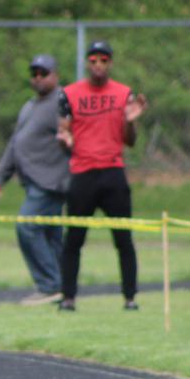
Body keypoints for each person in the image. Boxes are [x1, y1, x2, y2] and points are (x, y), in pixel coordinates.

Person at [56, 41, 148, 312]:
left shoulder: (123, 94)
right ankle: (68, 297)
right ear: (87, 62)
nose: (98, 65)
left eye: (104, 60)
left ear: (110, 63)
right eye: (94, 60)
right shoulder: (69, 94)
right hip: (83, 173)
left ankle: (130, 297)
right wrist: (64, 138)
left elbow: (130, 141)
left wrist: (130, 121)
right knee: (73, 239)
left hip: (112, 172)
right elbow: (65, 135)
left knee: (123, 239)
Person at [0, 54, 71, 305]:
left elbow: (76, 135)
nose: (38, 78)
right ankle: (64, 287)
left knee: (26, 226)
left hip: (51, 182)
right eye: (34, 74)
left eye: (43, 73)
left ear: (55, 75)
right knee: (50, 234)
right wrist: (0, 177)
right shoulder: (30, 105)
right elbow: (15, 143)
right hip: (33, 182)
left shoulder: (62, 101)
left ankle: (49, 285)